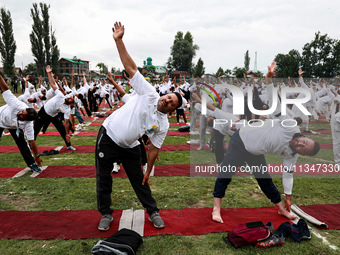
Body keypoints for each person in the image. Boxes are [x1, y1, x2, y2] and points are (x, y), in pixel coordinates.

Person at [96, 21, 182, 231]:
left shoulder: (163, 124)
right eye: (168, 97)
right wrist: (119, 41)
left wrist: (148, 170)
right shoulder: (150, 94)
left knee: (140, 181)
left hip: (131, 146)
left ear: (172, 110)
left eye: (171, 103)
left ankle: (153, 212)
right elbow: (131, 68)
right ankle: (106, 213)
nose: (167, 100)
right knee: (103, 178)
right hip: (109, 136)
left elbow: (153, 149)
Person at [211, 62, 320, 223]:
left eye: (303, 149)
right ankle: (216, 208)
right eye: (304, 141)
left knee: (265, 180)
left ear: (302, 153)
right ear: (304, 136)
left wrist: (288, 196)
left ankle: (282, 209)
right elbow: (274, 104)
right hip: (241, 140)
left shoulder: (292, 154)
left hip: (256, 152)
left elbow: (288, 174)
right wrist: (268, 79)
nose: (300, 145)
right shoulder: (289, 125)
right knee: (226, 173)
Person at [0, 75, 42, 173]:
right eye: (22, 112)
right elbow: (5, 88)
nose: (20, 113)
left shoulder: (28, 124)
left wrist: (37, 156)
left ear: (27, 120)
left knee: (23, 144)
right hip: (0, 119)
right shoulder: (17, 105)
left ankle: (31, 164)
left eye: (22, 115)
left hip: (14, 126)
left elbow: (31, 141)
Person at [34, 65, 76, 150]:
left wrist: (68, 133)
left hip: (54, 115)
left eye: (71, 99)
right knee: (36, 128)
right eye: (69, 97)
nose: (69, 97)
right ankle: (31, 144)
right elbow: (53, 84)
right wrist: (49, 73)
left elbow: (67, 122)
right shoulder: (61, 95)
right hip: (44, 111)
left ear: (71, 103)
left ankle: (68, 145)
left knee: (62, 129)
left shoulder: (67, 109)